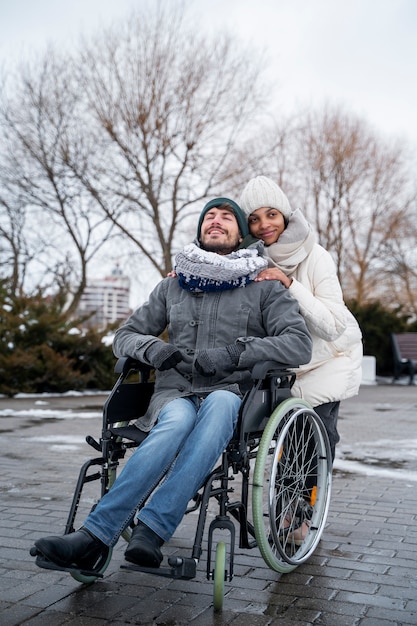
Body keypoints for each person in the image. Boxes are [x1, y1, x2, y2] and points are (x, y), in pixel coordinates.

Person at [32, 197, 313, 572]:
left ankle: (150, 528)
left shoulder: (263, 286)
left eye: (226, 216)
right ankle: (94, 537)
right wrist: (153, 349)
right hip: (175, 392)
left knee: (220, 407)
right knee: (177, 421)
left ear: (241, 234)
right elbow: (124, 335)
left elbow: (298, 343)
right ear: (200, 229)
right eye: (209, 216)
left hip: (233, 395)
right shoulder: (174, 285)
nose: (215, 221)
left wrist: (236, 353)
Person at [239, 176, 363, 462]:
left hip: (331, 358)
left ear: (284, 215)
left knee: (315, 434)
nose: (264, 225)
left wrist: (290, 284)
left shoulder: (316, 256)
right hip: (286, 367)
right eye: (254, 219)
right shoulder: (248, 261)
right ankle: (289, 502)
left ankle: (314, 498)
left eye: (271, 214)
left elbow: (334, 326)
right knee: (288, 440)